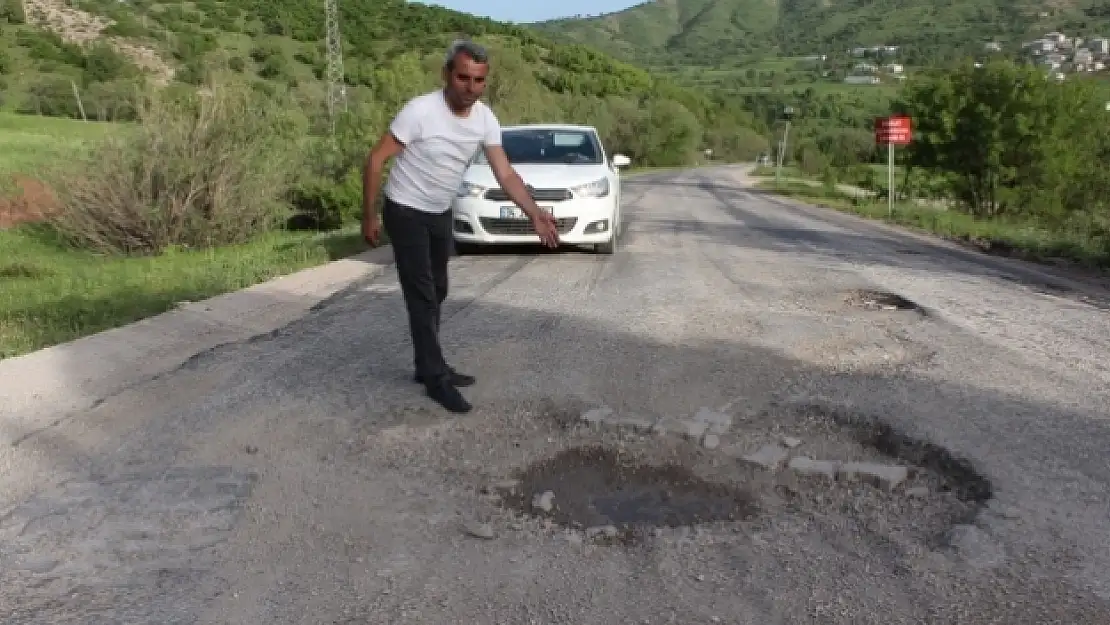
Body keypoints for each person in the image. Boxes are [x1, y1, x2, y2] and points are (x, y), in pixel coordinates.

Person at [361, 39, 560, 414]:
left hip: (438, 211)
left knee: (438, 288)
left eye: (479, 81)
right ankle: (435, 377)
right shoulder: (420, 111)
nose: (471, 88)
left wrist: (533, 213)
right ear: (447, 75)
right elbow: (376, 160)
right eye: (464, 78)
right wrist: (369, 215)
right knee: (421, 294)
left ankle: (426, 362)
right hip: (404, 209)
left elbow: (505, 173)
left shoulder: (485, 119)